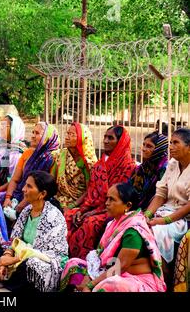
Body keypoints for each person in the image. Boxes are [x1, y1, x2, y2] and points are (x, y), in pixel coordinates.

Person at [60, 183, 166, 292]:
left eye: (112, 200)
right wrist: (89, 275)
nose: (106, 203)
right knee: (72, 264)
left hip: (134, 280)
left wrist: (90, 284)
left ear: (128, 206)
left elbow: (119, 268)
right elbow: (100, 257)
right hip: (108, 271)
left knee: (110, 284)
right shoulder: (114, 223)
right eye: (107, 199)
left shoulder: (133, 232)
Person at [0, 170, 68, 292]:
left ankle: (6, 278)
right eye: (25, 185)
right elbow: (14, 241)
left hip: (44, 262)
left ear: (42, 194)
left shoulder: (53, 216)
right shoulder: (27, 210)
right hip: (21, 256)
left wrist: (11, 261)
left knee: (30, 266)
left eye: (29, 186)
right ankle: (8, 276)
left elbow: (43, 254)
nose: (23, 189)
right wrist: (5, 258)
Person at [66, 125, 136, 259]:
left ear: (121, 141)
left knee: (90, 224)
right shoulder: (99, 165)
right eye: (105, 137)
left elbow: (118, 197)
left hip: (113, 209)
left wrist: (92, 212)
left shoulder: (128, 166)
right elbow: (91, 192)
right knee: (69, 216)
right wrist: (82, 210)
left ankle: (83, 262)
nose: (106, 141)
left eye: (111, 138)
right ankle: (63, 258)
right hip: (93, 207)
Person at [144, 128, 190, 284]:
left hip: (183, 218)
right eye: (170, 142)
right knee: (136, 223)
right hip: (164, 212)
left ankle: (163, 277)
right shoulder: (172, 164)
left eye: (176, 142)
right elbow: (160, 194)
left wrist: (164, 221)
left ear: (189, 147)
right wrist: (147, 215)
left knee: (157, 231)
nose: (170, 146)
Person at [2, 122, 59, 219]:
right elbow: (15, 179)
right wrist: (8, 198)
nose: (32, 136)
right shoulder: (27, 153)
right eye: (33, 132)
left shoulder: (52, 159)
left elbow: (45, 189)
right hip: (18, 193)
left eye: (37, 133)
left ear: (47, 138)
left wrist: (23, 203)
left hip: (37, 199)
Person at [50, 122, 97, 211]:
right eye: (67, 133)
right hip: (58, 199)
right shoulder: (60, 155)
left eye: (72, 135)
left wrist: (71, 206)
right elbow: (51, 180)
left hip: (78, 203)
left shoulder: (88, 163)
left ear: (82, 138)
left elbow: (89, 190)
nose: (67, 137)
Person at [0, 114, 26, 198]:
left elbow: (11, 180)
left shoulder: (16, 154)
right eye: (0, 125)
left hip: (2, 191)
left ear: (14, 129)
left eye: (4, 125)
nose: (1, 128)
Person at [129, 132, 168, 210]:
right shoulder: (141, 168)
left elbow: (162, 196)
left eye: (149, 146)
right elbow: (130, 189)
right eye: (144, 145)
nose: (143, 149)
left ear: (159, 149)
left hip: (156, 210)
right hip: (135, 208)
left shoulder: (165, 170)